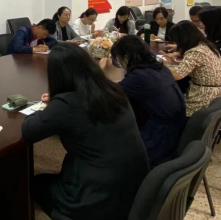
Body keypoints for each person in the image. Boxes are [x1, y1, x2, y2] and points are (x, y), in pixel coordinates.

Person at [23, 44, 149, 219]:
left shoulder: (66, 103)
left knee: (36, 183)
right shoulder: (112, 89)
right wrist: (57, 104)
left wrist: (49, 108)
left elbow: (29, 130)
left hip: (98, 197)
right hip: (137, 188)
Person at [106, 36, 186, 166]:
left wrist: (100, 72)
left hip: (160, 139)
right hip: (177, 130)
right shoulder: (160, 68)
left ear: (126, 58)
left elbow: (109, 95)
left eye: (118, 59)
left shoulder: (138, 77)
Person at [160, 21, 221, 116]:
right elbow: (198, 66)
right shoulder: (206, 46)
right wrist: (174, 63)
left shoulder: (195, 52)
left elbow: (177, 75)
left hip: (206, 100)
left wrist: (165, 65)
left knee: (168, 108)